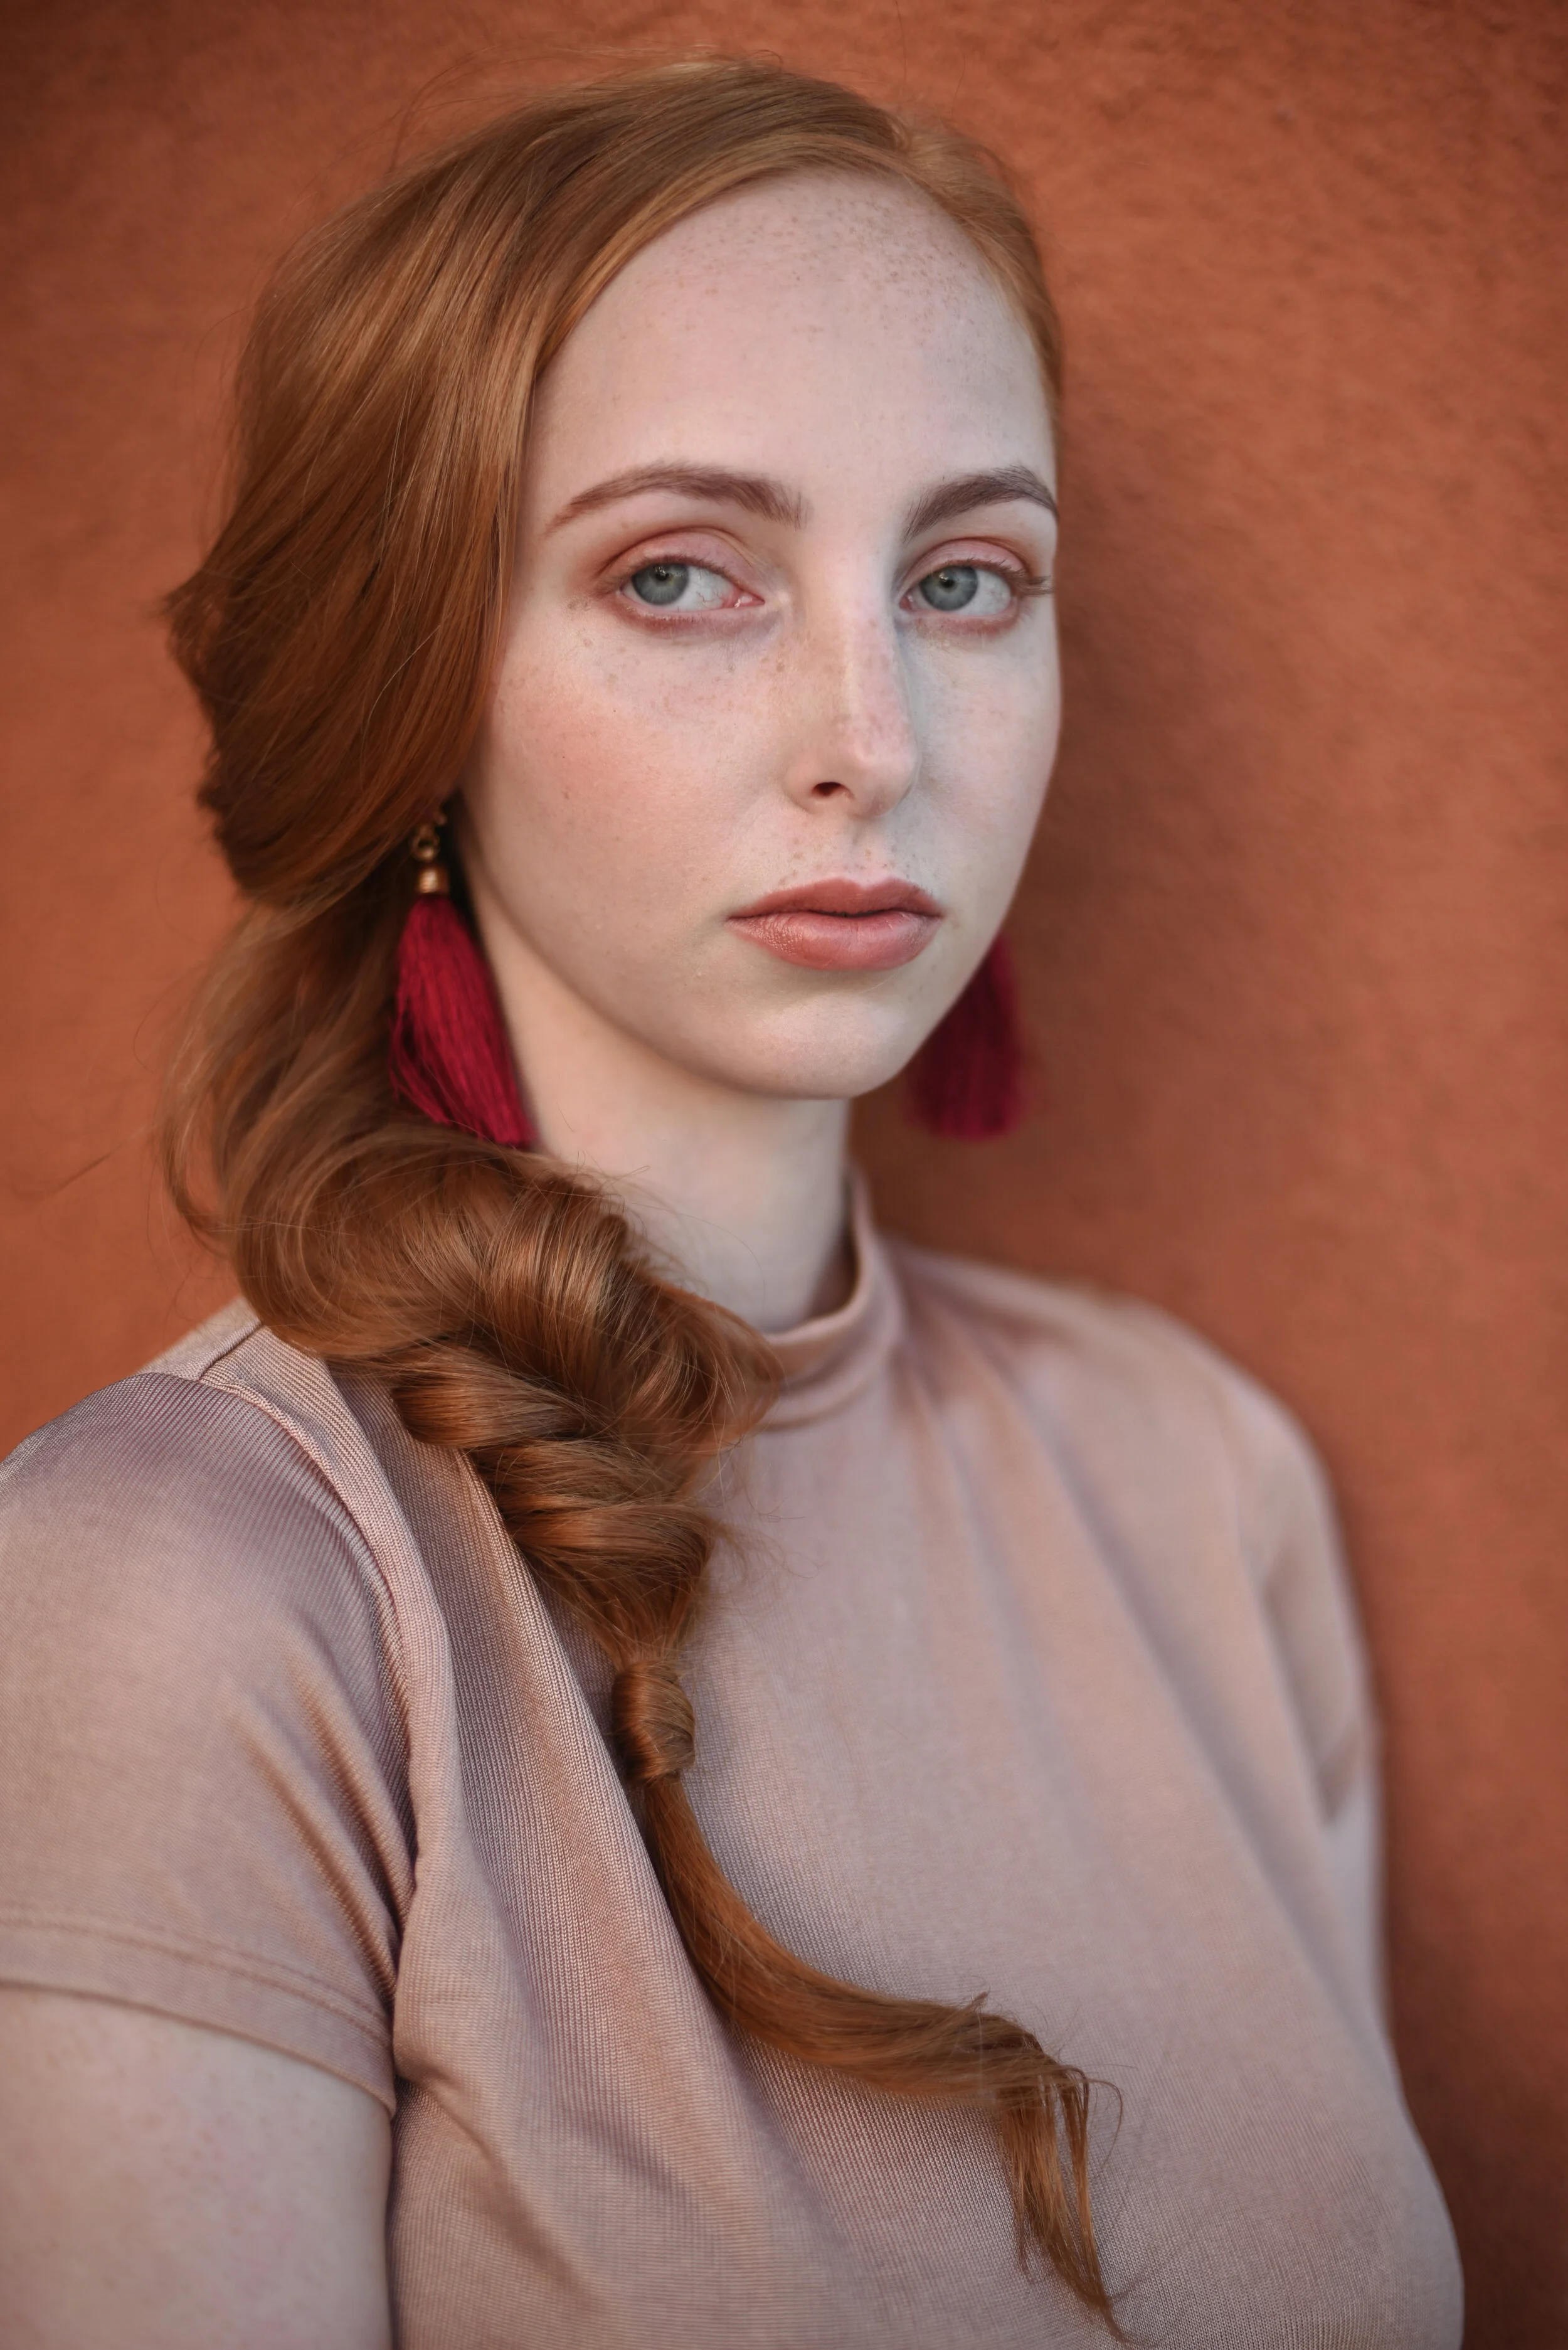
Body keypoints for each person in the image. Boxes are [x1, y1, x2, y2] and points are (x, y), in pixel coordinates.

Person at [0, 55, 1461, 2350]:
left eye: (964, 579)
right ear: (415, 684)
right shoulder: (176, 1586)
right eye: (678, 575)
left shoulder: (1202, 1482)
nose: (875, 737)